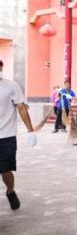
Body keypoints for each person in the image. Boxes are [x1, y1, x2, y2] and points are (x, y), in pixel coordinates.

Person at [0, 59, 37, 210]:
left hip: (6, 136)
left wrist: (30, 130)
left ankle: (10, 190)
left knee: (5, 170)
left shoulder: (11, 86)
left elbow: (21, 108)